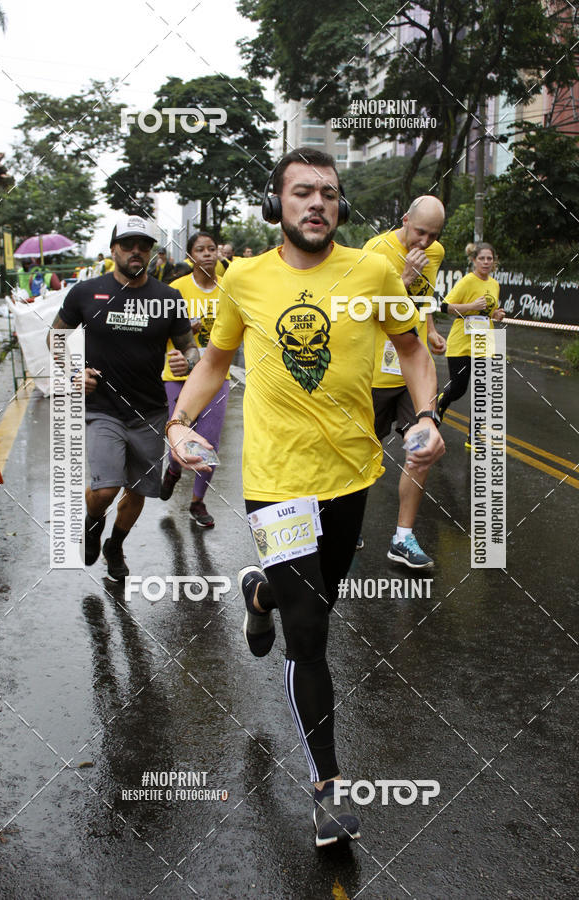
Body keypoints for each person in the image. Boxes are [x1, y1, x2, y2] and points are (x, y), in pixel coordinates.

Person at [166, 148, 445, 846]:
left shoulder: (373, 271)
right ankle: (327, 787)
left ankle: (258, 594)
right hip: (277, 484)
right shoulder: (246, 280)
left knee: (315, 600)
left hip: (351, 476)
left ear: (340, 207)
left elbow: (411, 348)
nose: (316, 203)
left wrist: (428, 413)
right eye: (301, 193)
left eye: (328, 193)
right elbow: (217, 360)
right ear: (277, 205)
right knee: (312, 630)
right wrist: (177, 422)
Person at [47, 214, 198, 580]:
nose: (135, 251)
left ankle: (115, 545)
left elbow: (191, 350)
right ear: (113, 249)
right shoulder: (85, 292)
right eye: (128, 245)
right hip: (102, 409)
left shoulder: (168, 298)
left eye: (143, 246)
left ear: (151, 253)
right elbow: (56, 338)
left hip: (149, 412)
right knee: (105, 488)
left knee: (137, 490)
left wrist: (186, 362)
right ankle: (93, 522)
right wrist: (73, 372)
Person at [361, 196, 446, 568]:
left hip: (410, 369)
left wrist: (430, 331)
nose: (424, 243)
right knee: (361, 456)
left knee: (421, 452)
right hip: (373, 373)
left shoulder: (436, 252)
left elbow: (423, 300)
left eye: (433, 235)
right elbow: (360, 312)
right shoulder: (375, 251)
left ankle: (403, 538)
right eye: (420, 232)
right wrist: (403, 279)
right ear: (405, 219)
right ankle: (347, 527)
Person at [159, 231, 230, 528]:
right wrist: (183, 329)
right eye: (200, 250)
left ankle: (197, 503)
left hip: (217, 374)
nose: (207, 254)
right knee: (183, 438)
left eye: (211, 249)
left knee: (209, 443)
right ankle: (174, 468)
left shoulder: (229, 288)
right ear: (190, 257)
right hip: (177, 374)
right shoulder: (176, 289)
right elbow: (158, 331)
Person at [437, 242, 505, 447]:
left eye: (489, 259)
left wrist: (496, 314)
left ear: (494, 262)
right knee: (458, 389)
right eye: (482, 258)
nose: (486, 262)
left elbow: (489, 312)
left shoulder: (494, 284)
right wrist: (471, 306)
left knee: (482, 392)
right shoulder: (467, 282)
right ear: (474, 260)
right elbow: (444, 306)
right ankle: (440, 404)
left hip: (484, 343)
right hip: (462, 344)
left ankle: (473, 437)